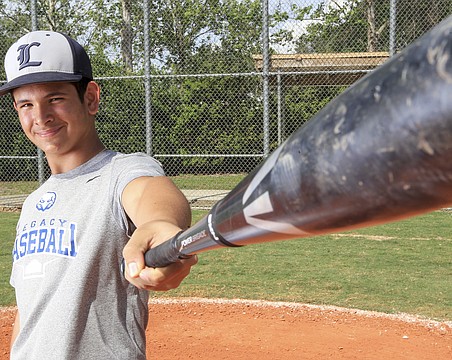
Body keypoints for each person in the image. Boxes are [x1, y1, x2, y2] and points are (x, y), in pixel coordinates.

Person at [0, 30, 198, 359]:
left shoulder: (121, 172)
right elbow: (29, 309)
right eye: (26, 104)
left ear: (90, 98)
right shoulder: (34, 203)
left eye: (55, 98)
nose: (41, 116)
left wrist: (161, 224)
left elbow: (151, 194)